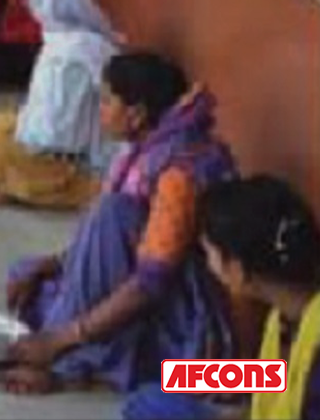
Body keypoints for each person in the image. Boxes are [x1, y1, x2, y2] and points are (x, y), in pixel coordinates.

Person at [0, 52, 238, 395]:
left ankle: (80, 365)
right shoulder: (145, 151)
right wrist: (55, 263)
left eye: (107, 100)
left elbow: (149, 284)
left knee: (164, 396)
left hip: (182, 326)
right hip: (178, 321)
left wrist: (62, 345)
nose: (100, 110)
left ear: (136, 114)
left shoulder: (177, 173)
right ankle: (92, 358)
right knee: (32, 277)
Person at [123, 175, 320, 420]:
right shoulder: (287, 310)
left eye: (209, 253)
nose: (208, 264)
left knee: (150, 405)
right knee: (159, 389)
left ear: (237, 268)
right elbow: (277, 377)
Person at [0, 0, 121, 209]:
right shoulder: (59, 37)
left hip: (71, 161)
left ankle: (53, 188)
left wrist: (26, 138)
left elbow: (58, 133)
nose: (30, 1)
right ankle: (11, 180)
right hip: (48, 141)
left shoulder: (82, 49)